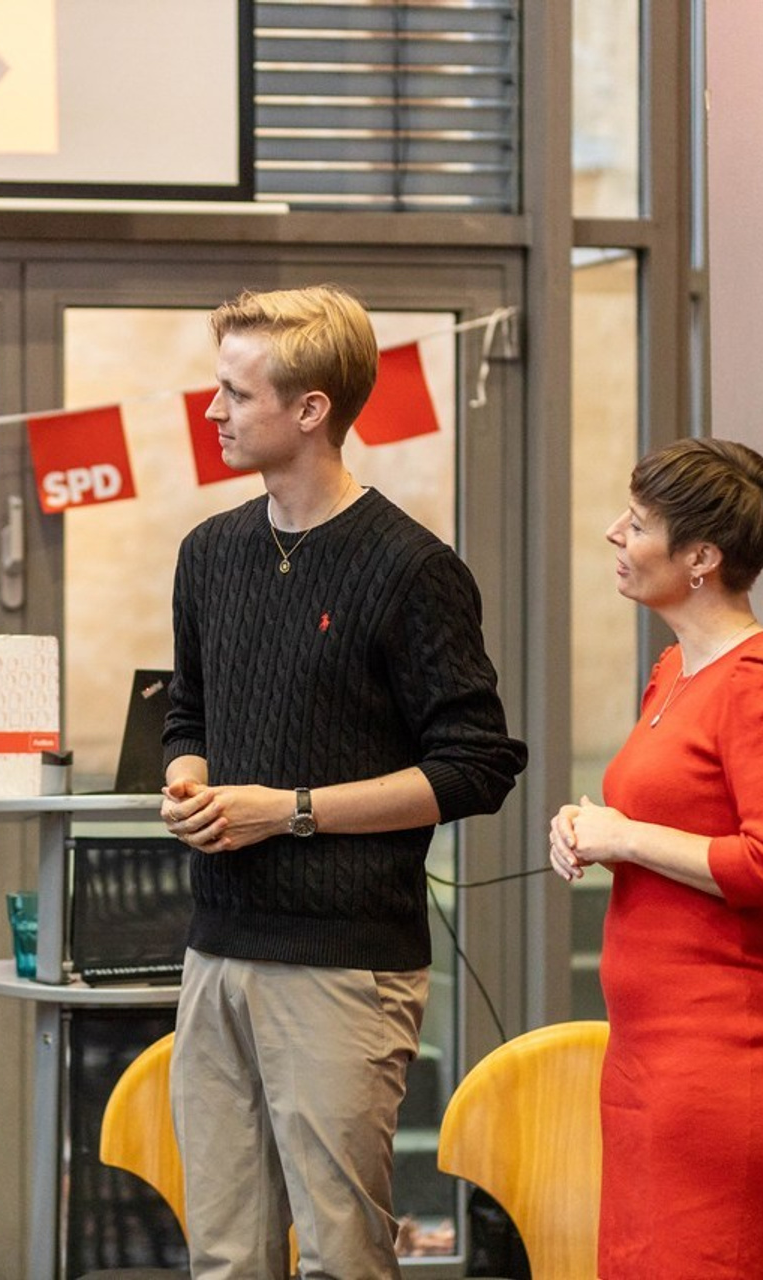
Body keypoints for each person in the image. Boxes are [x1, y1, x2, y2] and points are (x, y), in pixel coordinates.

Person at [160, 284, 526, 1279]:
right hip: (215, 948)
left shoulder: (411, 569)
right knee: (225, 1255)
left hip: (341, 965)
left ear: (310, 407)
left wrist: (290, 811)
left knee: (339, 1256)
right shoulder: (209, 552)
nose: (212, 410)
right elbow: (184, 711)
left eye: (233, 393)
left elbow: (477, 763)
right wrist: (186, 775)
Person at [549, 437, 763, 1278]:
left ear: (702, 557)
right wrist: (590, 830)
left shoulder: (750, 682)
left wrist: (626, 836)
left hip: (715, 1058)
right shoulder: (674, 668)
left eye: (637, 524)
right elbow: (674, 823)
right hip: (642, 1052)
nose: (614, 535)